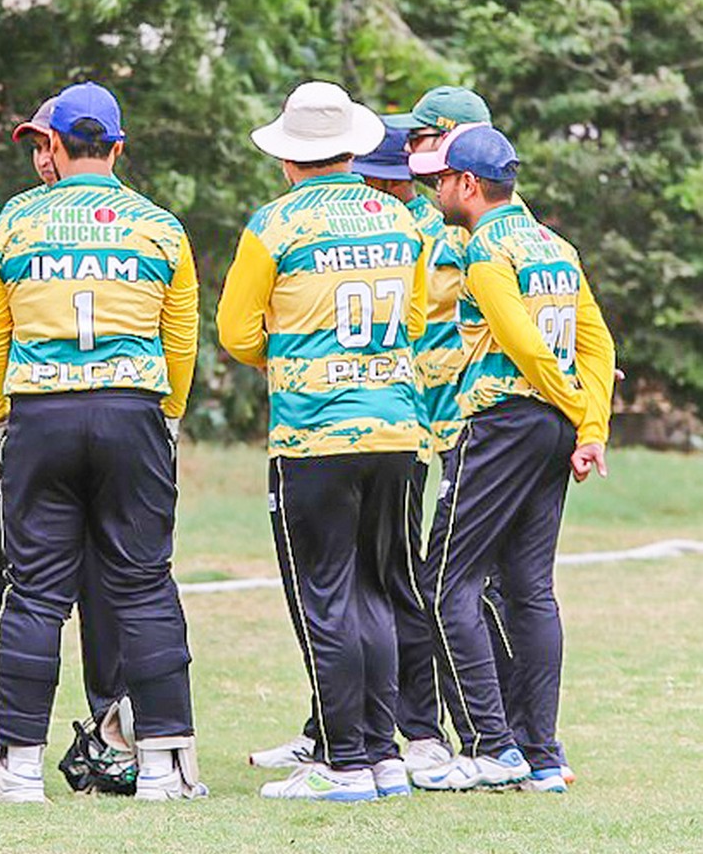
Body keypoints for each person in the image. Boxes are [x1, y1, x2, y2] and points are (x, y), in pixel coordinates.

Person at [0, 81, 203, 804]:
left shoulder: (14, 222)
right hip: (131, 408)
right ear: (118, 148)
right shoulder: (159, 227)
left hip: (41, 412)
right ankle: (162, 768)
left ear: (55, 146)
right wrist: (167, 414)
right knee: (144, 584)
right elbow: (181, 335)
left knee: (34, 592)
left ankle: (18, 768)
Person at [218, 81, 428, 803]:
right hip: (396, 428)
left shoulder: (274, 225)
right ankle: (383, 754)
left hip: (314, 435)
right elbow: (416, 320)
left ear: (288, 157)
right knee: (377, 591)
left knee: (328, 597)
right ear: (352, 150)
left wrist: (288, 354)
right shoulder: (399, 219)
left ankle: (342, 761)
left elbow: (236, 332)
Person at [409, 124, 615, 794]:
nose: (436, 191)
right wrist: (588, 424)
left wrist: (572, 404)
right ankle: (542, 756)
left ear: (467, 184)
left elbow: (525, 346)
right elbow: (597, 345)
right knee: (529, 588)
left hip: (502, 424)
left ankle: (490, 746)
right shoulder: (555, 245)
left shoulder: (484, 250)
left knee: (445, 581)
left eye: (442, 180)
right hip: (553, 431)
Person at [0, 98, 130, 794]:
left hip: (52, 423)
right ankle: (4, 725)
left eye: (49, 144)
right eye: (34, 147)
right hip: (33, 425)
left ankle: (110, 724)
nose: (42, 158)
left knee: (104, 586)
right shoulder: (17, 220)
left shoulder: (111, 221)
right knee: (11, 584)